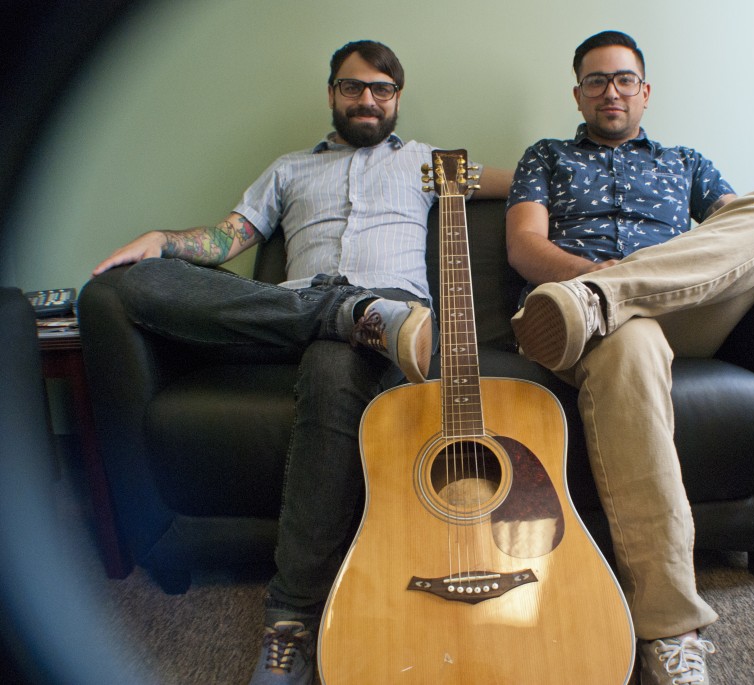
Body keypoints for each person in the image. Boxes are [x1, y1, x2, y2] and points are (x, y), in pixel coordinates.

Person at [92, 40, 511, 685]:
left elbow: (523, 182)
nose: (367, 99)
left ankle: (290, 618)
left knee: (333, 365)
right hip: (290, 311)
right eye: (353, 86)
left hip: (388, 323)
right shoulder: (288, 170)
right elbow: (229, 238)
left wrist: (567, 173)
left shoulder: (431, 164)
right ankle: (346, 314)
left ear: (397, 98)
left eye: (381, 89)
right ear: (332, 93)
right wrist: (164, 241)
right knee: (136, 280)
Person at [505, 30, 754, 685]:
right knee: (632, 341)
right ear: (578, 94)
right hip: (589, 331)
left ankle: (602, 300)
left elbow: (736, 237)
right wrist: (587, 273)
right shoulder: (546, 157)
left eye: (624, 79)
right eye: (596, 80)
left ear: (644, 91)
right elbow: (525, 247)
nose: (611, 91)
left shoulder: (687, 162)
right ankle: (671, 627)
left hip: (677, 311)